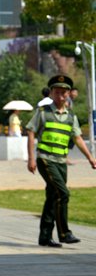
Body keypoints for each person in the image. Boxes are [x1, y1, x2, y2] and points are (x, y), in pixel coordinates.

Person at [25, 74, 96, 247]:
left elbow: (78, 138)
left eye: (64, 93)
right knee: (63, 193)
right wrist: (31, 159)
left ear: (69, 94)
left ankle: (45, 237)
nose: (61, 96)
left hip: (61, 162)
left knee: (53, 196)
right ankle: (64, 233)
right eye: (57, 92)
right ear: (51, 93)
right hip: (45, 159)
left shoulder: (71, 116)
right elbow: (31, 131)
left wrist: (90, 158)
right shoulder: (43, 112)